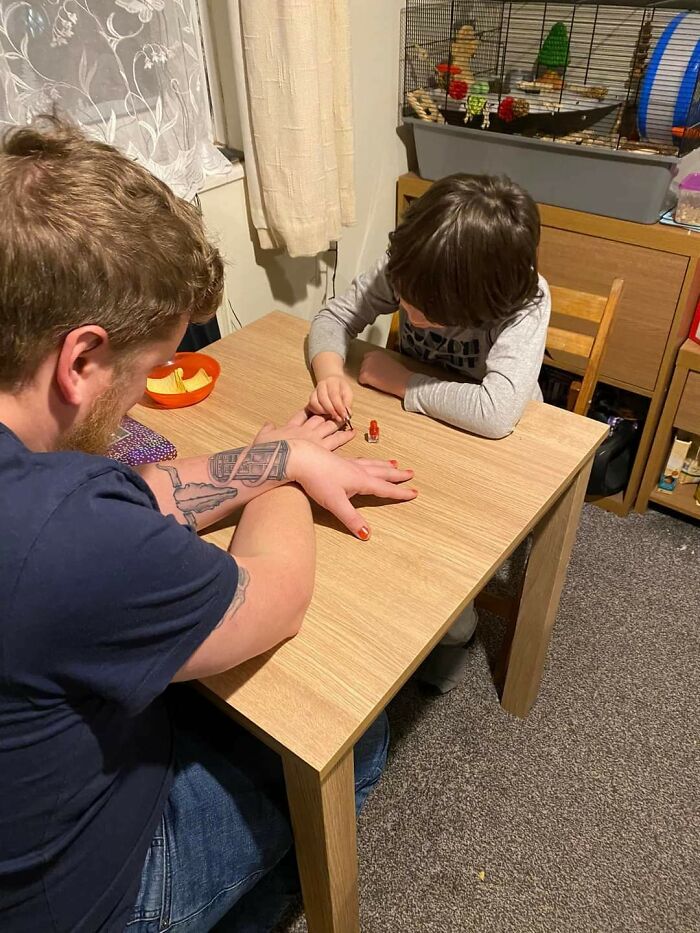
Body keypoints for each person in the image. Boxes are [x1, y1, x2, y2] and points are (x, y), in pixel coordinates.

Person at [0, 116, 417, 932]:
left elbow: (138, 492)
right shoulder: (66, 532)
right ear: (81, 360)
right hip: (82, 902)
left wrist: (265, 460)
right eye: (146, 371)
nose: (135, 402)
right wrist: (284, 463)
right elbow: (274, 597)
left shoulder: (45, 489)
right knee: (354, 739)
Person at [306, 173, 551, 692]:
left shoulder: (526, 301)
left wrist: (403, 381)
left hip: (497, 449)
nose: (407, 311)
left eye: (425, 311)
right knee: (376, 501)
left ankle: (453, 625)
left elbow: (496, 413)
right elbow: (334, 317)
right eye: (405, 296)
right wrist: (330, 371)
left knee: (452, 533)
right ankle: (432, 616)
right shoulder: (411, 265)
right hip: (424, 428)